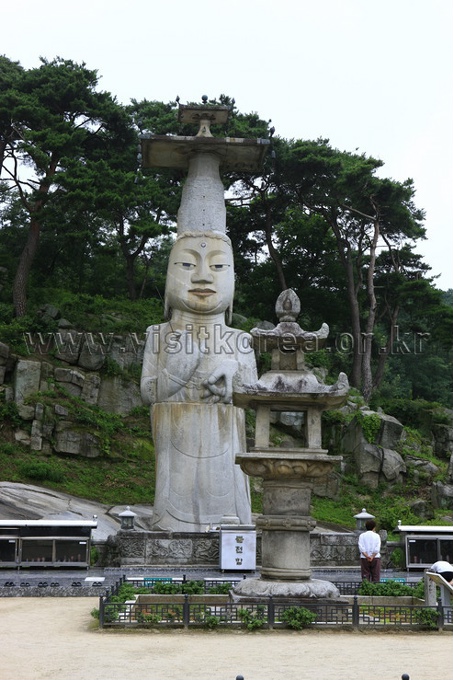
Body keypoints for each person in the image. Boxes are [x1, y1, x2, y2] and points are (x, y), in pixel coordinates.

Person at [141, 231, 257, 532]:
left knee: (233, 521)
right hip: (175, 445)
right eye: (187, 265)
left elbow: (254, 396)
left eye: (218, 266)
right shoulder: (158, 334)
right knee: (170, 518)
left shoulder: (239, 340)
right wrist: (177, 372)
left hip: (225, 449)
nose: (203, 276)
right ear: (169, 276)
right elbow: (148, 391)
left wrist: (234, 371)